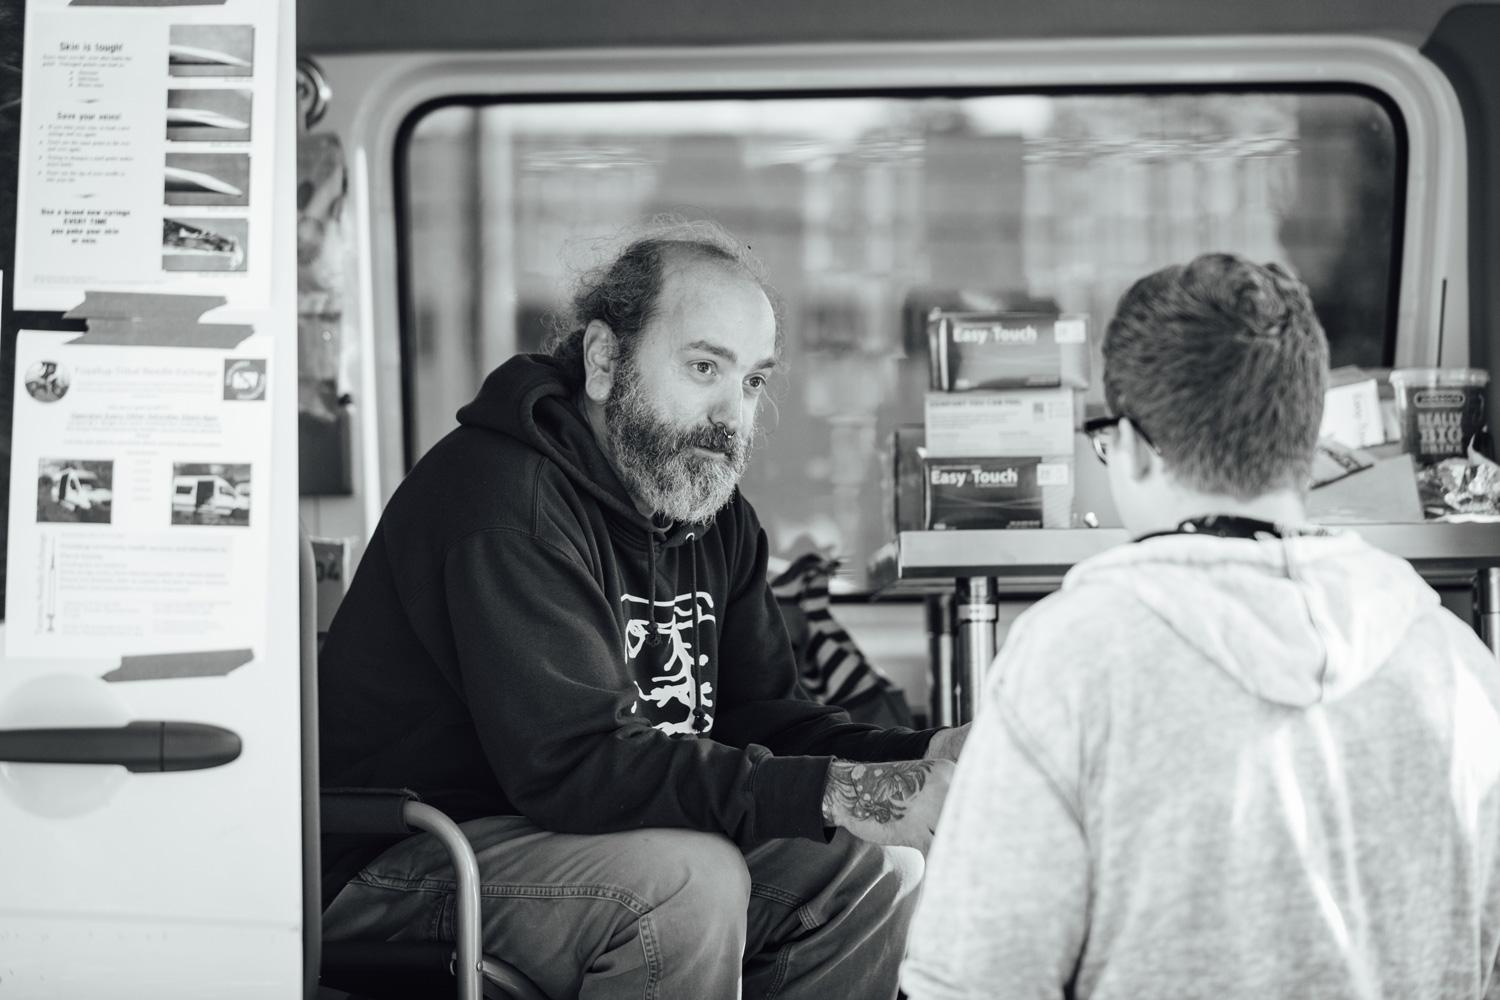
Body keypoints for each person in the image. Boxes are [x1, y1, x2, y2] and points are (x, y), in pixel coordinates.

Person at [319, 219, 968, 1000]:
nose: (732, 417)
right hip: (401, 855)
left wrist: (926, 754)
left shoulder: (716, 519)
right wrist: (843, 792)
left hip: (576, 838)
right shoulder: (502, 501)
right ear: (603, 360)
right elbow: (576, 765)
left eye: (753, 382)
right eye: (703, 367)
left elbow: (764, 718)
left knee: (872, 869)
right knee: (689, 883)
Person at [901, 254, 1500, 1000]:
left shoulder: (1076, 654)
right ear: (1308, 441)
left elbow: (974, 979)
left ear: (1131, 447)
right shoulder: (1456, 662)